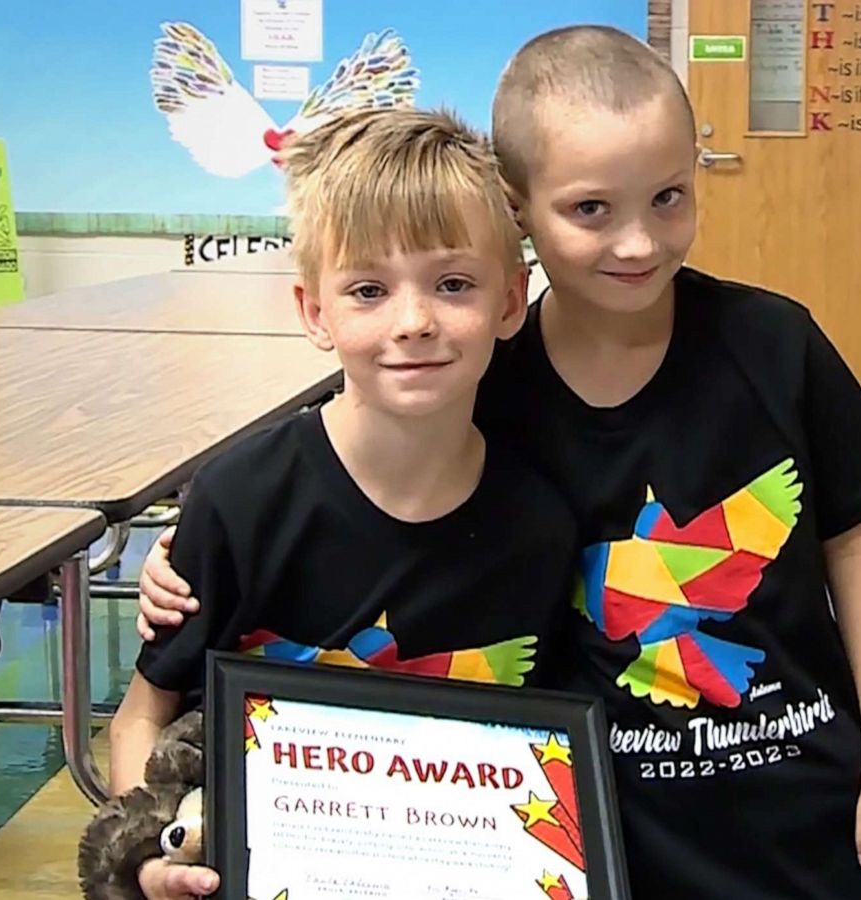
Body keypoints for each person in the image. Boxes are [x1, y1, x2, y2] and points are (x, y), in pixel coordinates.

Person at [139, 26, 861, 898]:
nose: (637, 243)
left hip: (800, 810)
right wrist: (191, 553)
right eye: (592, 209)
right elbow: (381, 496)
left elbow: (853, 542)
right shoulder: (483, 387)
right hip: (606, 824)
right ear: (519, 212)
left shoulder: (775, 343)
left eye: (668, 198)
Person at [112, 105, 579, 900]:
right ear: (314, 313)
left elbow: (550, 757)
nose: (415, 321)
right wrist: (149, 858)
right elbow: (138, 721)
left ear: (510, 302)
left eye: (454, 284)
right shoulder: (242, 499)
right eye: (368, 289)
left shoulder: (542, 521)